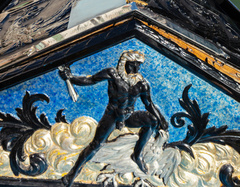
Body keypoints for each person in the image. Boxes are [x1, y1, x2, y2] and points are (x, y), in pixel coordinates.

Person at [58, 50, 168, 187]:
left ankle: (137, 155)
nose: (137, 68)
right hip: (113, 115)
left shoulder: (141, 84)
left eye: (138, 65)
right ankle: (72, 175)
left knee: (153, 120)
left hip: (128, 116)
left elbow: (149, 104)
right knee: (96, 145)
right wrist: (70, 77)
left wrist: (162, 120)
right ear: (125, 63)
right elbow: (90, 80)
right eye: (134, 65)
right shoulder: (112, 74)